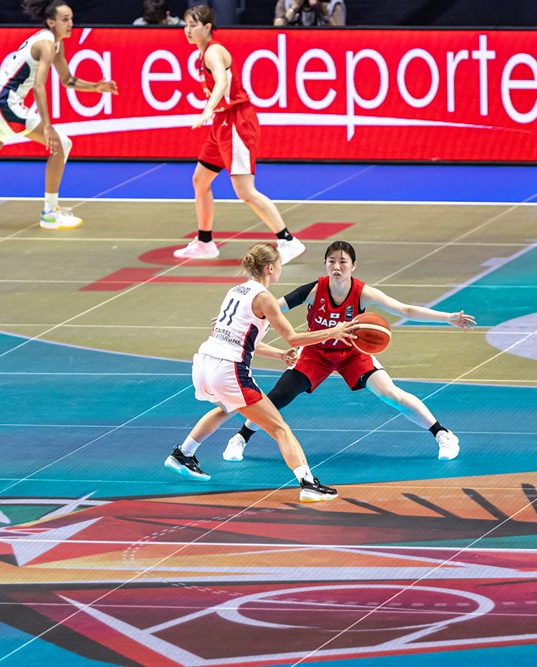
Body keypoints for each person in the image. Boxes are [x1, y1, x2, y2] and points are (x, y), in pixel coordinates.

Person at [221, 240, 475, 464]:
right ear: (325, 265)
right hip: (315, 353)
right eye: (331, 261)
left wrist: (448, 317)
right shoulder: (313, 290)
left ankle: (442, 433)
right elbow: (269, 309)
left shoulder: (363, 293)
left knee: (390, 393)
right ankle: (241, 438)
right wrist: (232, 320)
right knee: (279, 395)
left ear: (353, 265)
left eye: (343, 262)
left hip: (352, 353)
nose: (337, 267)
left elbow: (405, 310)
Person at [165, 243, 357, 502]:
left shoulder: (236, 290)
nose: (281, 267)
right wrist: (333, 331)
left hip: (204, 363)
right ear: (270, 268)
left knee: (225, 407)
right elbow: (293, 337)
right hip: (228, 369)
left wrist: (279, 355)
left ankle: (183, 454)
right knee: (279, 427)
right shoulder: (264, 297)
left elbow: (240, 338)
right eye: (279, 263)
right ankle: (308, 483)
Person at [0, 1, 119, 231]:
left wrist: (96, 87)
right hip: (5, 101)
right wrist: (47, 126)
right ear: (51, 22)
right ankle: (50, 213)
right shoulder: (46, 44)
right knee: (62, 144)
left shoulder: (56, 45)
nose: (70, 24)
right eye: (65, 19)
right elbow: (38, 86)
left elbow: (68, 80)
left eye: (71, 19)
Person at [174, 5, 307, 264]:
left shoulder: (213, 51)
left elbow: (222, 83)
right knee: (201, 180)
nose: (188, 30)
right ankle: (204, 242)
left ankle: (288, 240)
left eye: (193, 25)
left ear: (208, 27)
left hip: (236, 121)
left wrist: (207, 109)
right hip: (222, 124)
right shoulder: (201, 55)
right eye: (186, 25)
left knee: (245, 191)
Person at [274, 0, 346, 26]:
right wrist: (294, 8)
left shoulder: (334, 4)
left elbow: (341, 36)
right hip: (293, 44)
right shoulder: (286, 1)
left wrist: (322, 12)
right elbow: (277, 26)